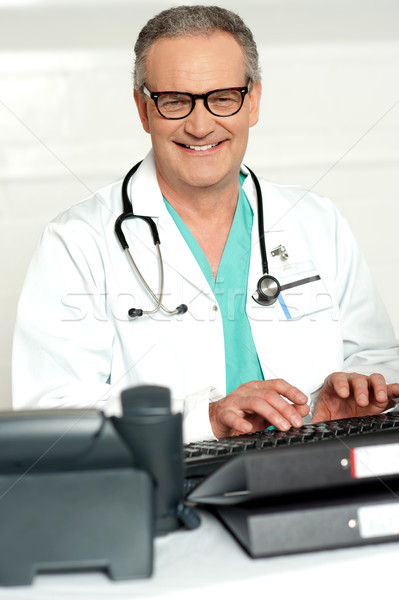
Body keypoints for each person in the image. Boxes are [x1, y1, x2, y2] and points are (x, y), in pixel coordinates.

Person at [12, 5, 399, 443]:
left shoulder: (317, 220)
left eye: (222, 98)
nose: (200, 126)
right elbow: (52, 417)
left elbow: (378, 360)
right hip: (163, 493)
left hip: (314, 476)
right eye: (175, 101)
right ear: (144, 109)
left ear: (251, 102)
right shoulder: (76, 241)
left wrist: (348, 401)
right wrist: (204, 419)